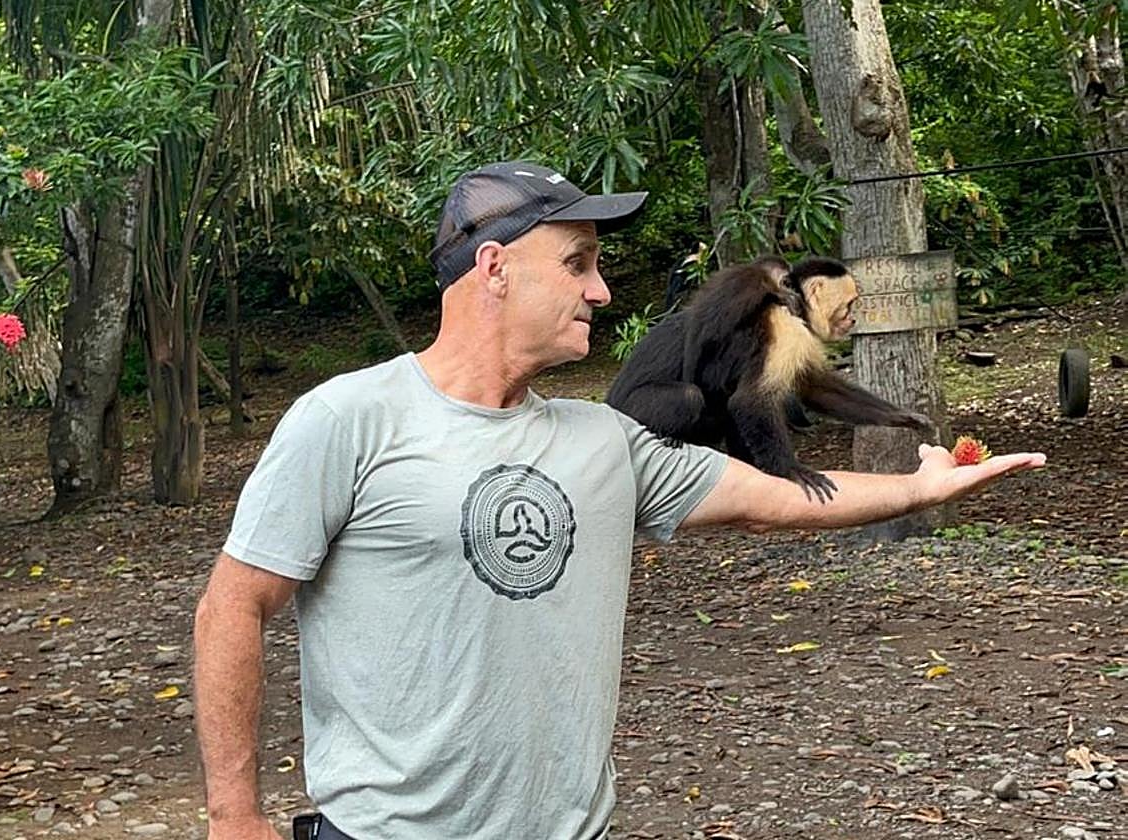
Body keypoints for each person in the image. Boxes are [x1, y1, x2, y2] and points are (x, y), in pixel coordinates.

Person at [193, 161, 1046, 840]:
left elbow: (771, 501)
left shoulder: (599, 436)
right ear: (493, 269)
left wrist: (920, 486)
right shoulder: (347, 417)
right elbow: (233, 606)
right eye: (578, 265)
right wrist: (235, 816)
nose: (601, 291)